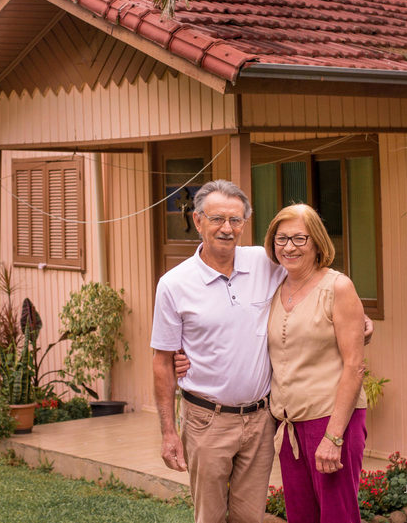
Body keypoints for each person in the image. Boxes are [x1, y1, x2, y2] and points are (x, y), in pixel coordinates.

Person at [151, 179, 285, 523]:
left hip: (259, 420)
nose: (227, 229)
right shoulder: (173, 284)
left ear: (244, 223)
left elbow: (311, 277)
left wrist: (355, 318)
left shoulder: (264, 263)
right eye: (217, 219)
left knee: (249, 517)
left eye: (236, 220)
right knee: (209, 517)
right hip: (206, 420)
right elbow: (163, 361)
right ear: (198, 221)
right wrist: (168, 432)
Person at [263, 203, 368, 523]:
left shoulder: (337, 287)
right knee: (301, 516)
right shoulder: (273, 287)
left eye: (299, 239)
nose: (289, 247)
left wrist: (333, 437)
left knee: (338, 515)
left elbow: (354, 365)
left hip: (332, 419)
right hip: (290, 424)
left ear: (317, 242)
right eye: (281, 239)